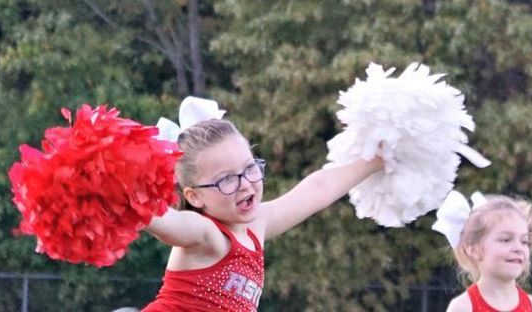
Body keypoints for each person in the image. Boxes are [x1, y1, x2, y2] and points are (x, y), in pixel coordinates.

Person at [142, 97, 383, 311]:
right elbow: (161, 219)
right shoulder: (206, 235)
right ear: (194, 196)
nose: (245, 184)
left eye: (249, 168)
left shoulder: (258, 224)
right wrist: (120, 192)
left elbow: (319, 189)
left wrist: (375, 160)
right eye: (227, 179)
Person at [434, 191, 532, 312]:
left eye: (524, 241)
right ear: (474, 250)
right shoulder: (463, 308)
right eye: (506, 240)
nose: (518, 248)